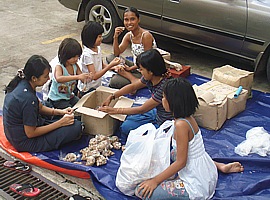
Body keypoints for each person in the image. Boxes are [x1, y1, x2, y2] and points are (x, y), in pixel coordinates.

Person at [100, 49, 244, 175]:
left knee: (167, 150)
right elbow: (134, 86)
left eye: (142, 69)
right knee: (127, 126)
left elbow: (142, 109)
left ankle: (218, 165)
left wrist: (113, 110)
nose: (140, 72)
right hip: (157, 114)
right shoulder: (150, 78)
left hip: (165, 121)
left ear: (151, 71)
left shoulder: (174, 111)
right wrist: (113, 96)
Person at [135, 77, 218, 199]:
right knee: (168, 153)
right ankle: (219, 166)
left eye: (164, 97)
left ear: (173, 102)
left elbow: (181, 162)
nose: (162, 100)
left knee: (141, 191)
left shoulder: (181, 125)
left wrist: (155, 181)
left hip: (196, 182)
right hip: (205, 171)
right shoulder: (187, 118)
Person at [3, 55, 83, 152]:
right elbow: (30, 133)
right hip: (25, 141)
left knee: (51, 107)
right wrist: (60, 123)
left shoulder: (23, 83)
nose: (49, 78)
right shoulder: (28, 99)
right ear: (34, 78)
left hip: (15, 133)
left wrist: (61, 112)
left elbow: (39, 106)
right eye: (45, 76)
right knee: (76, 127)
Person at [107, 7, 157, 89]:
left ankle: (134, 79)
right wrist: (115, 37)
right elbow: (117, 53)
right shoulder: (129, 35)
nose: (129, 23)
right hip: (136, 66)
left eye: (132, 19)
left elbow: (147, 61)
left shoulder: (145, 35)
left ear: (138, 20)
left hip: (146, 70)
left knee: (114, 81)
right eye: (126, 20)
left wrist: (130, 68)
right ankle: (127, 75)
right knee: (110, 58)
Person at [78, 21, 121, 97]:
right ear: (91, 38)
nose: (102, 38)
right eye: (99, 37)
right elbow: (94, 76)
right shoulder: (87, 55)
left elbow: (101, 65)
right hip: (88, 88)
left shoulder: (98, 48)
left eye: (101, 36)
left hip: (97, 85)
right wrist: (110, 65)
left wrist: (113, 67)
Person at [47, 38, 91, 109]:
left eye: (77, 56)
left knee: (81, 105)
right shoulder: (59, 67)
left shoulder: (75, 66)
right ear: (65, 55)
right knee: (71, 110)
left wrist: (87, 77)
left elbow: (81, 77)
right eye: (74, 57)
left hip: (69, 96)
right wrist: (77, 77)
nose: (76, 59)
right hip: (57, 99)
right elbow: (59, 78)